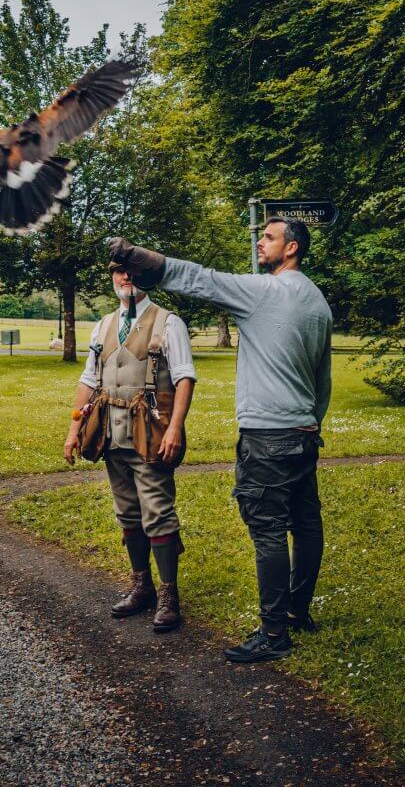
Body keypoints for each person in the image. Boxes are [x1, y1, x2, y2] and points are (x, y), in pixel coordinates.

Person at [108, 217, 332, 663]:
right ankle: (296, 612)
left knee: (267, 529)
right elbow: (322, 379)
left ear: (291, 248)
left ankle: (273, 634)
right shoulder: (318, 302)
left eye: (268, 237)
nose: (260, 242)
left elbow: (200, 280)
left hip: (267, 437)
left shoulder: (263, 292)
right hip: (304, 434)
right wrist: (311, 421)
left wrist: (137, 258)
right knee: (306, 526)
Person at [64, 261, 197, 632]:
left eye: (133, 273)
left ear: (146, 279)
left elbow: (185, 378)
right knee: (127, 513)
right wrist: (73, 431)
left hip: (151, 435)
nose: (126, 279)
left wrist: (174, 428)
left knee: (157, 512)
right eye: (119, 273)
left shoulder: (168, 322)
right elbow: (89, 379)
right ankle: (142, 586)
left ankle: (169, 594)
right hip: (111, 435)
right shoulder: (104, 324)